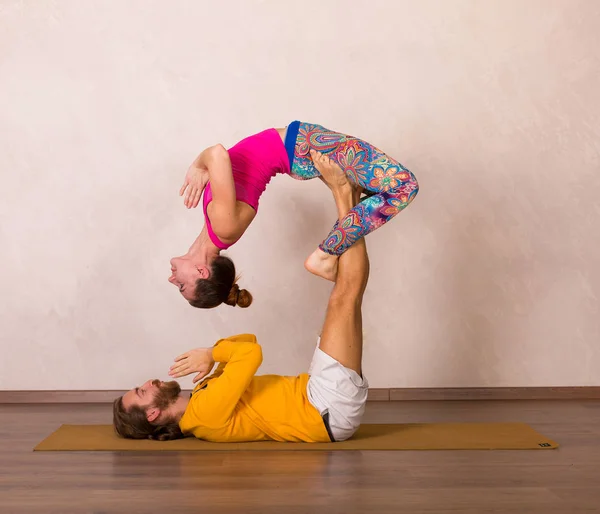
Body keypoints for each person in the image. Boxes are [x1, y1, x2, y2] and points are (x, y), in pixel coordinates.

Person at [114, 158, 370, 443]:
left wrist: (215, 353)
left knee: (348, 297)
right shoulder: (203, 415)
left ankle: (351, 195)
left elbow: (248, 341)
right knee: (344, 297)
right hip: (323, 407)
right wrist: (212, 355)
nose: (148, 383)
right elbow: (251, 355)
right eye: (142, 392)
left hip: (318, 399)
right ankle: (343, 192)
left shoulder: (202, 397)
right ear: (152, 415)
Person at [169, 120, 418, 308]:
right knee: (404, 186)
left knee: (378, 193)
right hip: (301, 147)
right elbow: (217, 153)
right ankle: (325, 254)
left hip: (297, 148)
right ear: (203, 272)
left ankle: (329, 253)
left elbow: (220, 157)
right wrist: (199, 165)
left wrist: (203, 166)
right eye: (181, 285)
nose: (173, 280)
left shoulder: (216, 227)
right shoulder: (223, 227)